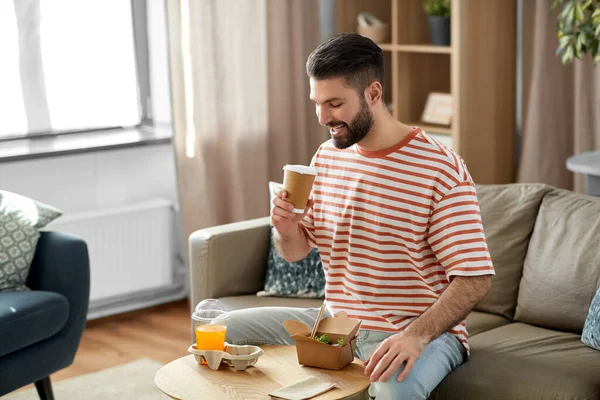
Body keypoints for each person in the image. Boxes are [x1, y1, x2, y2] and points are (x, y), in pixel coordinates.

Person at [226, 33, 494, 399]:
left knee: (391, 393)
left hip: (418, 332)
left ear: (373, 93)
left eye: (335, 103)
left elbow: (474, 278)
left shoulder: (440, 169)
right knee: (223, 331)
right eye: (317, 103)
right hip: (336, 325)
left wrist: (415, 335)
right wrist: (287, 230)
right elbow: (296, 253)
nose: (323, 117)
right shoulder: (327, 158)